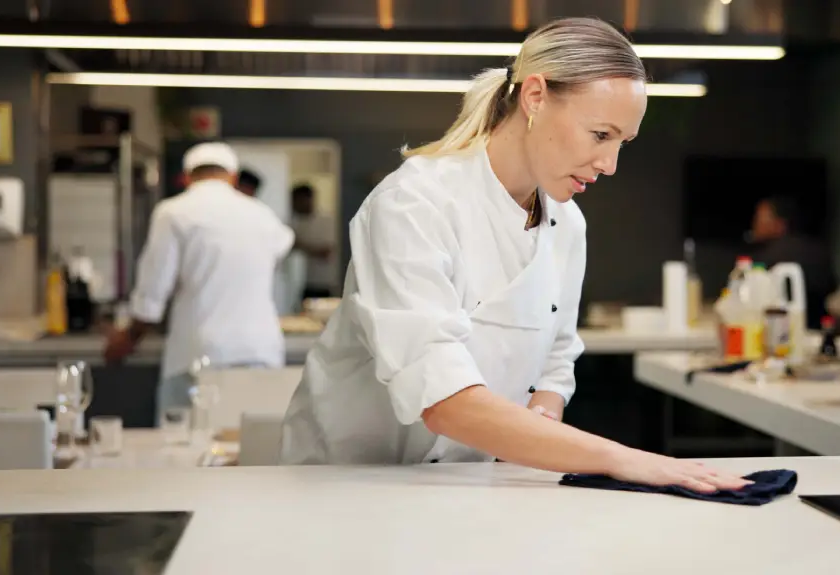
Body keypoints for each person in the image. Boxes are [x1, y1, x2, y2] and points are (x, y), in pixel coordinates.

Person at [279, 17, 748, 492]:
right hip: (348, 484)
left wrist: (541, 419)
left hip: (469, 482)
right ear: (536, 97)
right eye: (601, 135)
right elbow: (442, 396)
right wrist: (618, 458)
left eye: (622, 144)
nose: (610, 165)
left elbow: (556, 356)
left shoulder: (567, 223)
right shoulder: (414, 203)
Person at [104, 142, 296, 422]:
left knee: (186, 453)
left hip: (200, 354)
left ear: (187, 177)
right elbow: (282, 246)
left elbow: (153, 292)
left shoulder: (173, 213)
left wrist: (128, 337)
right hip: (260, 350)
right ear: (232, 176)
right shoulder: (262, 215)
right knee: (254, 451)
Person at [749, 196, 838, 330]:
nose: (755, 225)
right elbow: (832, 286)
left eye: (759, 219)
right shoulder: (818, 250)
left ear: (779, 225)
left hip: (780, 332)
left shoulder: (765, 257)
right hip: (819, 328)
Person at [290, 184, 337, 299]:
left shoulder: (327, 221)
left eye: (296, 201)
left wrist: (300, 245)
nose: (293, 205)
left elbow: (327, 252)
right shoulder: (296, 222)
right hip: (307, 282)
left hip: (326, 283)